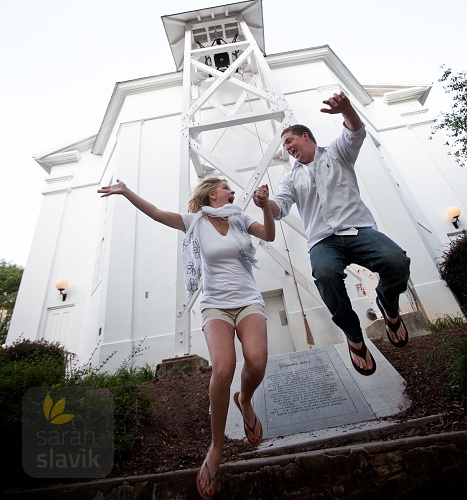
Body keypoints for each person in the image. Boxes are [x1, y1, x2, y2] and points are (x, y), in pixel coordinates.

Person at [98, 177, 275, 499]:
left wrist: (265, 210)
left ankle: (245, 400)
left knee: (257, 360)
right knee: (222, 369)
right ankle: (216, 448)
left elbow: (269, 235)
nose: (233, 191)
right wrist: (125, 192)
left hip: (248, 300)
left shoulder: (240, 217)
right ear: (211, 193)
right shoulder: (194, 222)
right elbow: (154, 212)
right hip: (215, 306)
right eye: (226, 187)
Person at [254, 91, 410, 377]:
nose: (287, 147)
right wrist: (265, 203)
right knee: (325, 276)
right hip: (323, 241)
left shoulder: (338, 153)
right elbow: (280, 208)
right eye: (284, 145)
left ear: (305, 136)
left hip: (358, 230)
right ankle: (354, 336)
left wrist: (347, 108)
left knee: (397, 261)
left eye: (289, 141)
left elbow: (355, 131)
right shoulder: (290, 177)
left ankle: (388, 305)